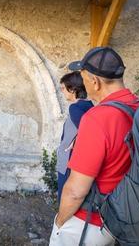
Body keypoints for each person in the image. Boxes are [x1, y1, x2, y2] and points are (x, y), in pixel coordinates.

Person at [50, 47, 139, 245]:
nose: (82, 83)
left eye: (82, 77)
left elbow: (75, 191)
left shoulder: (97, 119)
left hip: (91, 222)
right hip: (124, 216)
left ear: (95, 81)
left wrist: (60, 222)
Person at [56, 72, 93, 204]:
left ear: (72, 89)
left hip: (69, 162)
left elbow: (89, 134)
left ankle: (62, 223)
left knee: (65, 199)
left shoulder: (75, 108)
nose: (63, 92)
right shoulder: (89, 105)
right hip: (75, 162)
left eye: (63, 88)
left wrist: (76, 141)